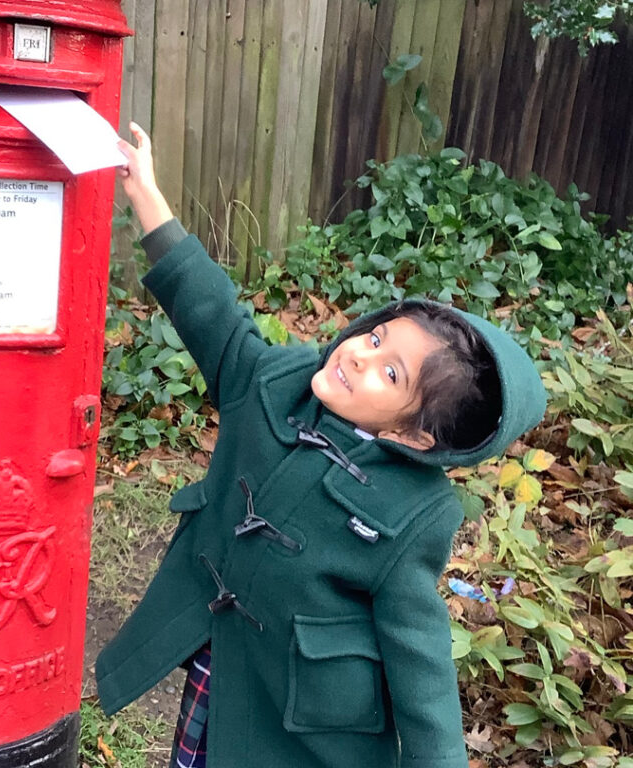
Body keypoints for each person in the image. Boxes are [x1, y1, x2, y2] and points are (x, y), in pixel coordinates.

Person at [94, 124, 547, 768]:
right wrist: (148, 197)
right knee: (198, 751)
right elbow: (212, 313)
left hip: (302, 716)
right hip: (223, 652)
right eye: (375, 339)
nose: (360, 358)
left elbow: (419, 661)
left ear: (415, 433)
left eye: (391, 374)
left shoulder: (415, 510)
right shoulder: (274, 383)